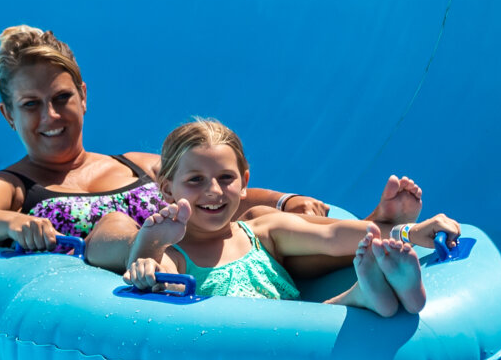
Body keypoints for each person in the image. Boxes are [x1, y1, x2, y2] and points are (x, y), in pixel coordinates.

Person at [0, 26, 424, 271]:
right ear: (9, 115)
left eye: (62, 98)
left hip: (215, 257)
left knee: (264, 227)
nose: (51, 116)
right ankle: (377, 237)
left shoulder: (136, 164)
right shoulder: (11, 186)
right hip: (152, 271)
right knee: (120, 226)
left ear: (83, 96)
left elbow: (212, 184)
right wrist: (15, 222)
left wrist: (284, 200)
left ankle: (378, 230)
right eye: (31, 105)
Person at [123, 118, 461, 317]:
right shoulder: (172, 254)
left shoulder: (264, 229)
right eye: (195, 180)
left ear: (245, 184)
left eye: (226, 178)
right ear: (167, 190)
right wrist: (145, 262)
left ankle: (374, 289)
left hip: (304, 338)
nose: (214, 191)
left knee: (318, 314)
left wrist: (410, 232)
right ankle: (361, 296)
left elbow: (336, 236)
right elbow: (157, 278)